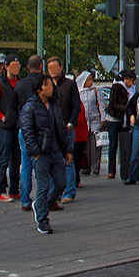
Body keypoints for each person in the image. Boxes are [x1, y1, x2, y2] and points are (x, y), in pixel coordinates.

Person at [19, 73, 71, 234]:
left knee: (61, 183)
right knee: (43, 186)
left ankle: (41, 206)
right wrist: (35, 152)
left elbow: (61, 128)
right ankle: (42, 219)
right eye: (48, 84)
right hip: (41, 153)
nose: (51, 87)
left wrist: (67, 149)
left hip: (56, 151)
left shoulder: (54, 104)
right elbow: (27, 132)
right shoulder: (30, 107)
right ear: (39, 88)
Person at [46, 57, 81, 203]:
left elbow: (76, 106)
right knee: (53, 161)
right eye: (49, 69)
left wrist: (70, 124)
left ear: (61, 68)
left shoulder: (70, 84)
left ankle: (69, 192)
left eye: (55, 68)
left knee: (68, 159)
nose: (53, 72)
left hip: (66, 126)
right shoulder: (46, 85)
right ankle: (55, 192)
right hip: (51, 128)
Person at [13, 56, 43, 210]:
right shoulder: (44, 82)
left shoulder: (19, 84)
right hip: (40, 128)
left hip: (24, 128)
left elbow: (13, 106)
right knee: (42, 163)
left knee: (25, 164)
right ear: (41, 65)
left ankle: (25, 199)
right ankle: (42, 198)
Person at [0, 54, 19, 201]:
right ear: (6, 66)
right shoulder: (1, 82)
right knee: (3, 158)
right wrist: (1, 116)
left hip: (17, 125)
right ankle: (1, 189)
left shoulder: (20, 82)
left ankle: (14, 189)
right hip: (4, 126)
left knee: (16, 160)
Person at [78, 72, 104, 176]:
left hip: (95, 120)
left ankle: (95, 168)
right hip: (83, 121)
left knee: (95, 146)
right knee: (85, 146)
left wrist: (103, 119)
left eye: (91, 79)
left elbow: (101, 105)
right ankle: (85, 167)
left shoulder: (95, 90)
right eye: (88, 80)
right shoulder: (79, 92)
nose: (90, 82)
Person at [103, 81, 129, 179]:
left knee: (122, 145)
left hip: (121, 119)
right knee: (113, 144)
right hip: (113, 118)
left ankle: (123, 169)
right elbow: (113, 103)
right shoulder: (117, 87)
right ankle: (111, 170)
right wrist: (125, 108)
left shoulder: (130, 89)